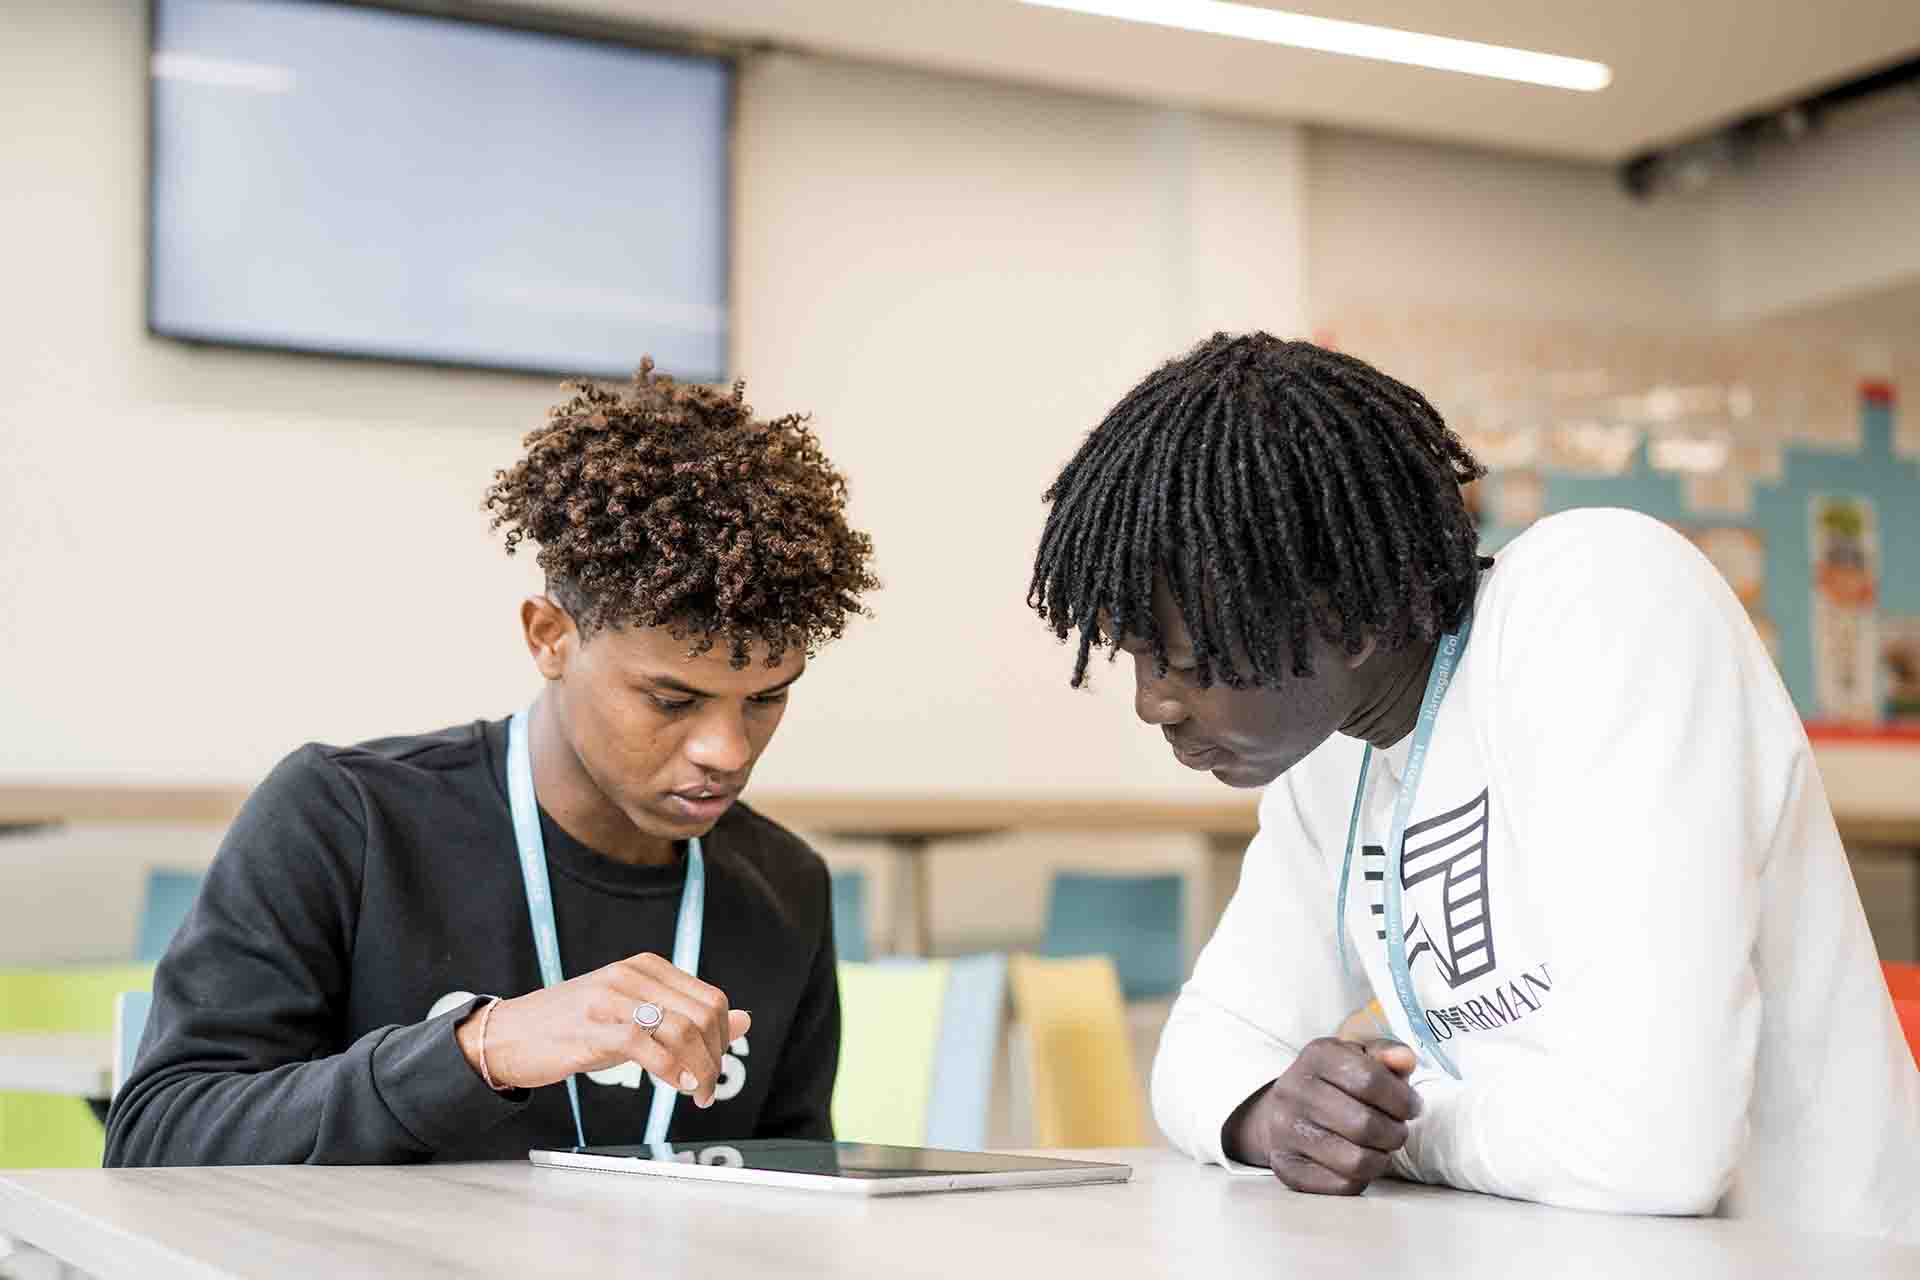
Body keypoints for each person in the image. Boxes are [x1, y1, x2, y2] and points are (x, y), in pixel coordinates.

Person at [1027, 333, 1920, 1240]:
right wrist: (1273, 1116)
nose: (1152, 705)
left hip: (1821, 1255)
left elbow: (1657, 1145)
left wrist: (1394, 1128)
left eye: (1180, 659)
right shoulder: (1335, 758)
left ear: (1348, 616)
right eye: (1134, 659)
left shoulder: (1601, 607)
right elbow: (1203, 1051)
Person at [107, 360, 878, 1165]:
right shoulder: (347, 818)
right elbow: (158, 1142)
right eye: (671, 700)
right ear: (550, 637)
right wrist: (482, 1048)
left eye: (765, 699)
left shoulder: (785, 887)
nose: (726, 751)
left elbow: (793, 1191)